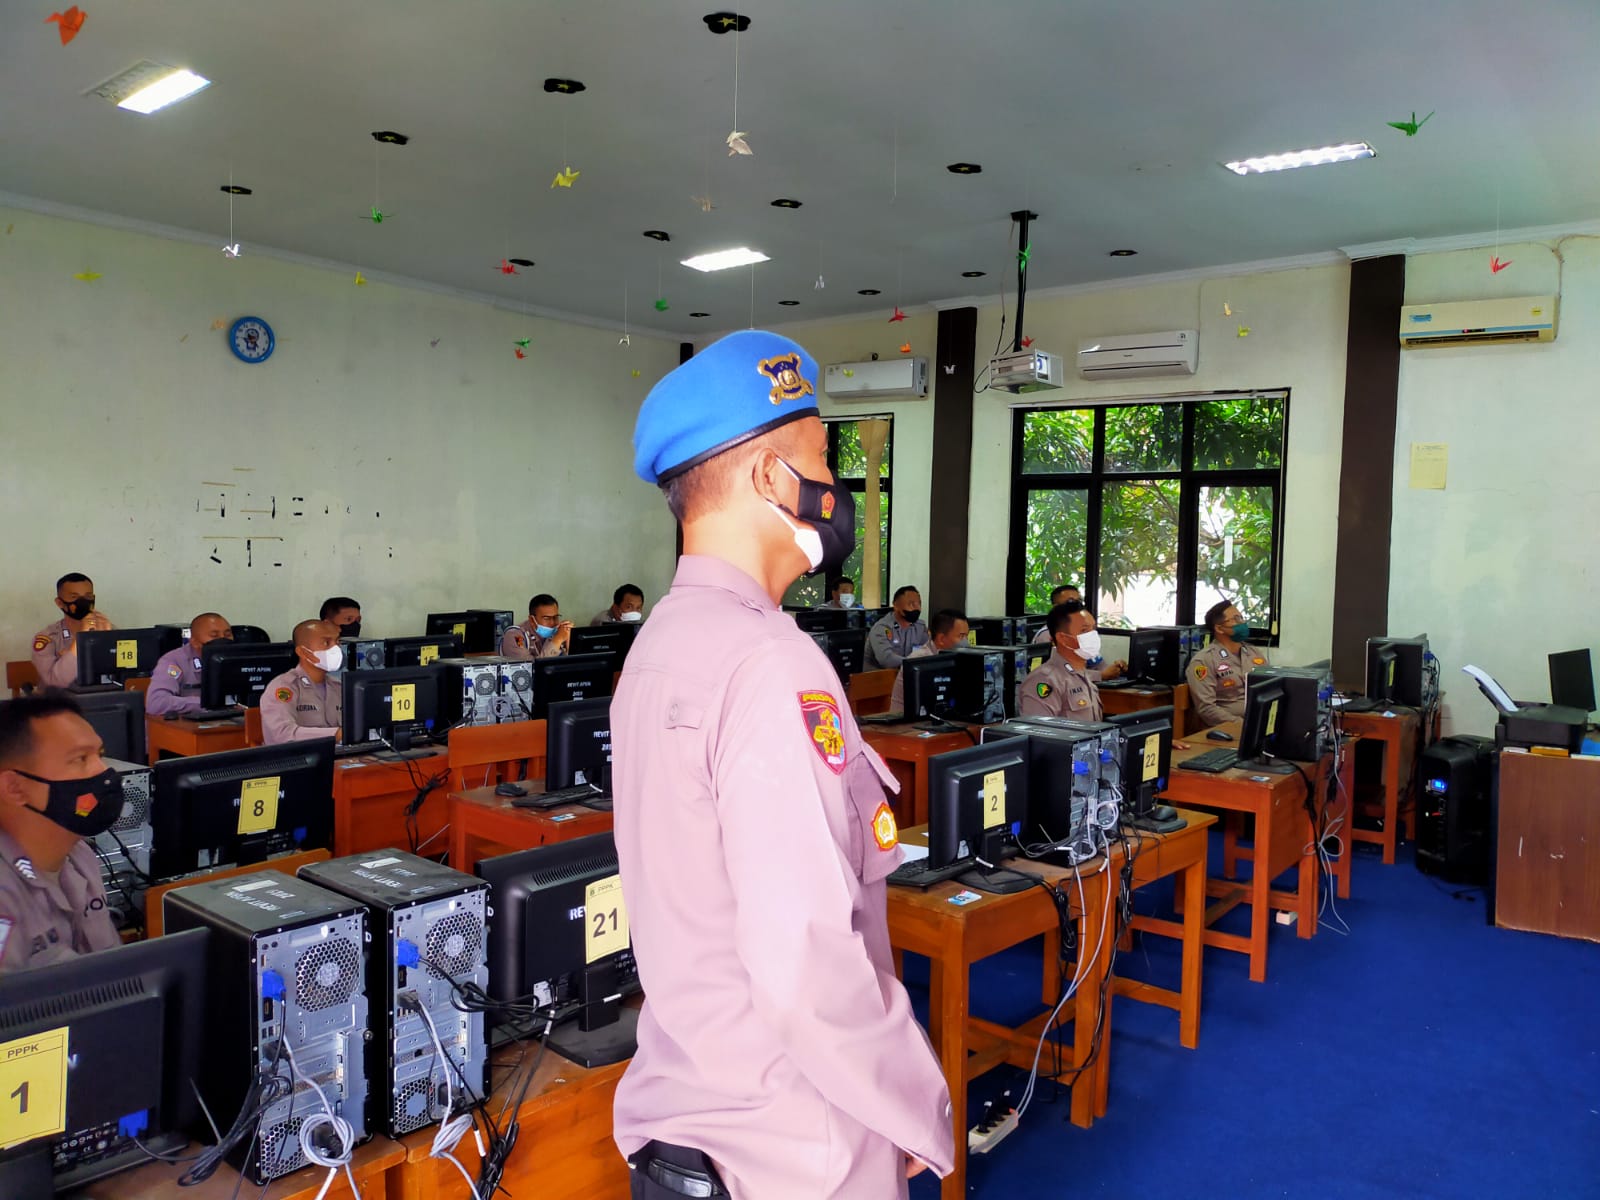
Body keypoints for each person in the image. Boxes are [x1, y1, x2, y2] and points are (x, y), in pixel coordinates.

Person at [614, 329, 954, 1197]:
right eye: (823, 461)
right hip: (799, 1138)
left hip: (691, 1116)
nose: (836, 490)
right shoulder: (769, 661)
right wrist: (911, 1104)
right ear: (772, 478)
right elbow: (805, 959)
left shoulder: (660, 645)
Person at [0, 694, 124, 973]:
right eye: (81, 758)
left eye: (100, 755)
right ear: (15, 788)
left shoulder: (79, 856)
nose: (103, 771)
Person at [1186, 598, 1270, 728]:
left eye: (1241, 618)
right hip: (1229, 728)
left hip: (1260, 721)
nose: (1242, 623)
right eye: (1236, 619)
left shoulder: (1254, 652)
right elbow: (1207, 709)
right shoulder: (1204, 661)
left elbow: (1270, 689)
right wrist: (1242, 725)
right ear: (1219, 628)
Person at [259, 620, 343, 743]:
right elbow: (282, 734)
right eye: (326, 642)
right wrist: (336, 734)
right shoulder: (284, 686)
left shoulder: (339, 686)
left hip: (341, 752)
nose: (336, 648)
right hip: (299, 754)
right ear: (303, 652)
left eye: (337, 642)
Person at [1019, 600, 1104, 722]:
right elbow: (1038, 730)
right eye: (1084, 631)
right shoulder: (1045, 680)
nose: (1093, 635)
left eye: (1094, 628)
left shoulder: (1082, 675)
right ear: (1063, 638)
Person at [31, 574, 115, 689]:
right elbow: (55, 683)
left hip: (101, 696)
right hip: (60, 699)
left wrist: (108, 638)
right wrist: (81, 639)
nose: (83, 602)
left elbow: (120, 674)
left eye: (88, 596)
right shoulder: (48, 638)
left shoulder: (106, 628)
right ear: (59, 603)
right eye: (74, 597)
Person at [146, 613, 233, 717]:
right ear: (194, 642)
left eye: (227, 635)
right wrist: (205, 703)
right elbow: (156, 703)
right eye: (214, 636)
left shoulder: (237, 657)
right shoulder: (174, 661)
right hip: (188, 725)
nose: (223, 640)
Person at [889, 609, 969, 714]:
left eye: (967, 636)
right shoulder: (920, 661)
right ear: (941, 639)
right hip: (906, 721)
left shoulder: (951, 659)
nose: (966, 642)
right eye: (961, 636)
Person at [865, 586, 928, 670]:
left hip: (907, 675)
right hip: (879, 676)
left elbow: (928, 652)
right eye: (911, 604)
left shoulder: (920, 627)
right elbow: (886, 660)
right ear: (896, 606)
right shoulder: (881, 628)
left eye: (919, 604)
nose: (917, 608)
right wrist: (912, 664)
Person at [501, 594, 573, 659]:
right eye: (546, 618)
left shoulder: (559, 632)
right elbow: (531, 667)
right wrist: (557, 640)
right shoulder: (515, 636)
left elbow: (571, 665)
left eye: (555, 617)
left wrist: (570, 643)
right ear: (532, 620)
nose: (553, 623)